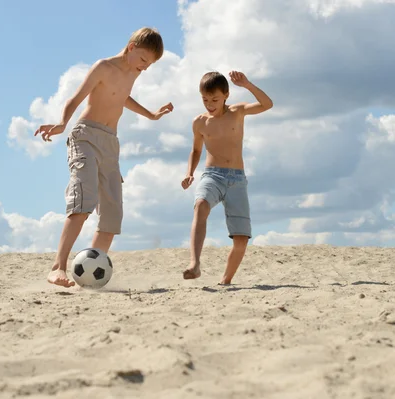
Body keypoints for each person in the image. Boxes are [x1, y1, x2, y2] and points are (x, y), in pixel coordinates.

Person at [35, 27, 173, 287]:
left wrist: (152, 115)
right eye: (144, 60)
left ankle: (86, 277)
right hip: (85, 137)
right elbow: (76, 98)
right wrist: (62, 122)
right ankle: (57, 267)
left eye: (150, 64)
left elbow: (122, 98)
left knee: (112, 214)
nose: (146, 67)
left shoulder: (133, 71)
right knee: (83, 201)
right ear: (131, 47)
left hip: (111, 143)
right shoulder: (103, 67)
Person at [181, 70, 273, 284]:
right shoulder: (199, 122)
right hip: (212, 175)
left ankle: (226, 281)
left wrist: (248, 85)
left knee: (241, 240)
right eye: (205, 99)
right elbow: (195, 151)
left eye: (214, 99)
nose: (209, 104)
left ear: (226, 95)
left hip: (237, 180)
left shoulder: (237, 112)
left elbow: (267, 104)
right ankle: (194, 264)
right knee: (200, 205)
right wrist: (189, 173)